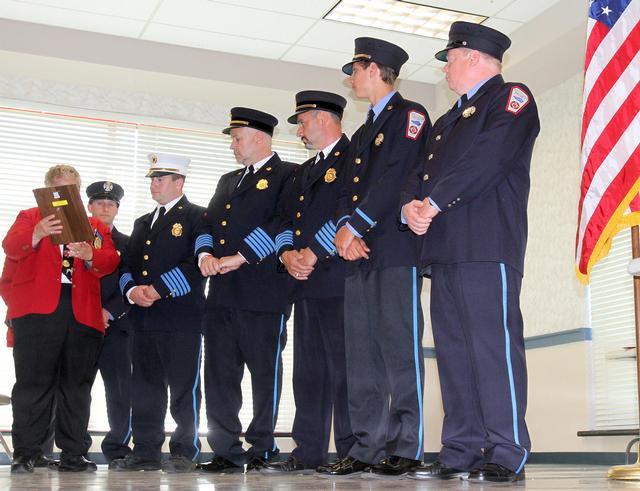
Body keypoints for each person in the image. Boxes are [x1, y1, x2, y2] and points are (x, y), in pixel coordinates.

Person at [401, 22, 540, 484]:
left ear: (475, 58)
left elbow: (488, 158)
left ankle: (505, 448)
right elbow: (419, 175)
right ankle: (461, 447)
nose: (446, 70)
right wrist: (410, 207)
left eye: (451, 60)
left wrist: (434, 202)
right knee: (455, 353)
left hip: (487, 246)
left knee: (492, 350)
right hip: (444, 251)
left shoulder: (511, 99)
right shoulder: (444, 123)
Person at [318, 37, 431, 478]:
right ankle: (366, 447)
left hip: (394, 250)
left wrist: (356, 225)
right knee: (361, 356)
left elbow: (394, 178)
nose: (351, 78)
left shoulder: (411, 116)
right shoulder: (363, 132)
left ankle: (407, 446)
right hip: (358, 253)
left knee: (400, 352)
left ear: (375, 68)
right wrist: (346, 232)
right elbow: (347, 189)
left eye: (355, 69)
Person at [195, 108, 295, 473]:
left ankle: (262, 448)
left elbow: (282, 222)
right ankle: (225, 448)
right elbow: (207, 223)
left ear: (260, 137)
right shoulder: (228, 180)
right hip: (220, 293)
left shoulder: (288, 175)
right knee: (220, 375)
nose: (233, 146)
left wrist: (241, 256)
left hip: (263, 293)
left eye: (237, 139)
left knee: (264, 376)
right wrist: (205, 253)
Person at [2, 164, 119, 473]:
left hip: (82, 312)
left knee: (77, 386)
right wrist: (38, 232)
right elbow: (11, 248)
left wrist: (89, 254)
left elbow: (110, 261)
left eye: (71, 190)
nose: (64, 196)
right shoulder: (29, 216)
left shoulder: (96, 226)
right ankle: (27, 452)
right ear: (47, 190)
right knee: (32, 384)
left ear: (78, 193)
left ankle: (74, 454)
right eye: (58, 190)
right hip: (38, 312)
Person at [261, 91, 355, 474]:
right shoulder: (301, 172)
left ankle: (352, 451)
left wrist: (313, 252)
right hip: (304, 282)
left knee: (345, 370)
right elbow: (283, 221)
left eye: (301, 121)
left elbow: (348, 212)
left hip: (337, 278)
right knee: (309, 372)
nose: (298, 130)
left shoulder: (353, 159)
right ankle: (308, 451)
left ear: (323, 119)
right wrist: (286, 255)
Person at [110, 154, 206, 473]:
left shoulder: (197, 216)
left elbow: (196, 265)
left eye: (160, 179)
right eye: (152, 179)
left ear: (179, 182)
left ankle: (184, 450)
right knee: (146, 388)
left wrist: (158, 289)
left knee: (183, 387)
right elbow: (127, 266)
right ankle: (146, 451)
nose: (154, 184)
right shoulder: (142, 222)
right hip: (144, 319)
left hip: (180, 319)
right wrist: (132, 291)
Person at [86, 181, 133, 463]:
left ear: (117, 209)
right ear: (89, 207)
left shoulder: (129, 243)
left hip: (117, 327)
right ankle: (76, 449)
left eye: (111, 204)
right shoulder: (74, 241)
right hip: (80, 326)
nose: (105, 207)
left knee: (120, 391)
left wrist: (108, 312)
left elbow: (133, 284)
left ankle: (117, 449)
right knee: (76, 389)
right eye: (99, 202)